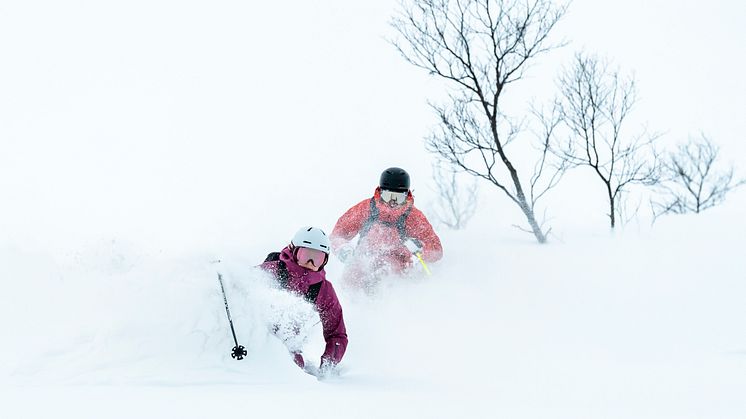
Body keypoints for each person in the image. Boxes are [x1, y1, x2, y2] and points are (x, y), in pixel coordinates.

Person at [330, 167, 443, 289]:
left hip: (397, 265)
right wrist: (343, 249)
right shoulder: (366, 209)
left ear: (407, 195)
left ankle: (388, 305)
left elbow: (436, 250)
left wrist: (420, 248)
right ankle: (348, 303)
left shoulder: (413, 217)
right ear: (380, 192)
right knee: (352, 274)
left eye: (398, 197)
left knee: (385, 270)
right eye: (388, 196)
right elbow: (338, 234)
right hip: (363, 259)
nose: (392, 202)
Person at [258, 226, 347, 376]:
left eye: (317, 258)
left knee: (294, 368)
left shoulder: (322, 290)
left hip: (290, 353)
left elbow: (337, 334)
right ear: (293, 251)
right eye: (306, 255)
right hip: (259, 342)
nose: (310, 262)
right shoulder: (272, 271)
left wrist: (328, 365)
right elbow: (241, 287)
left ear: (325, 261)